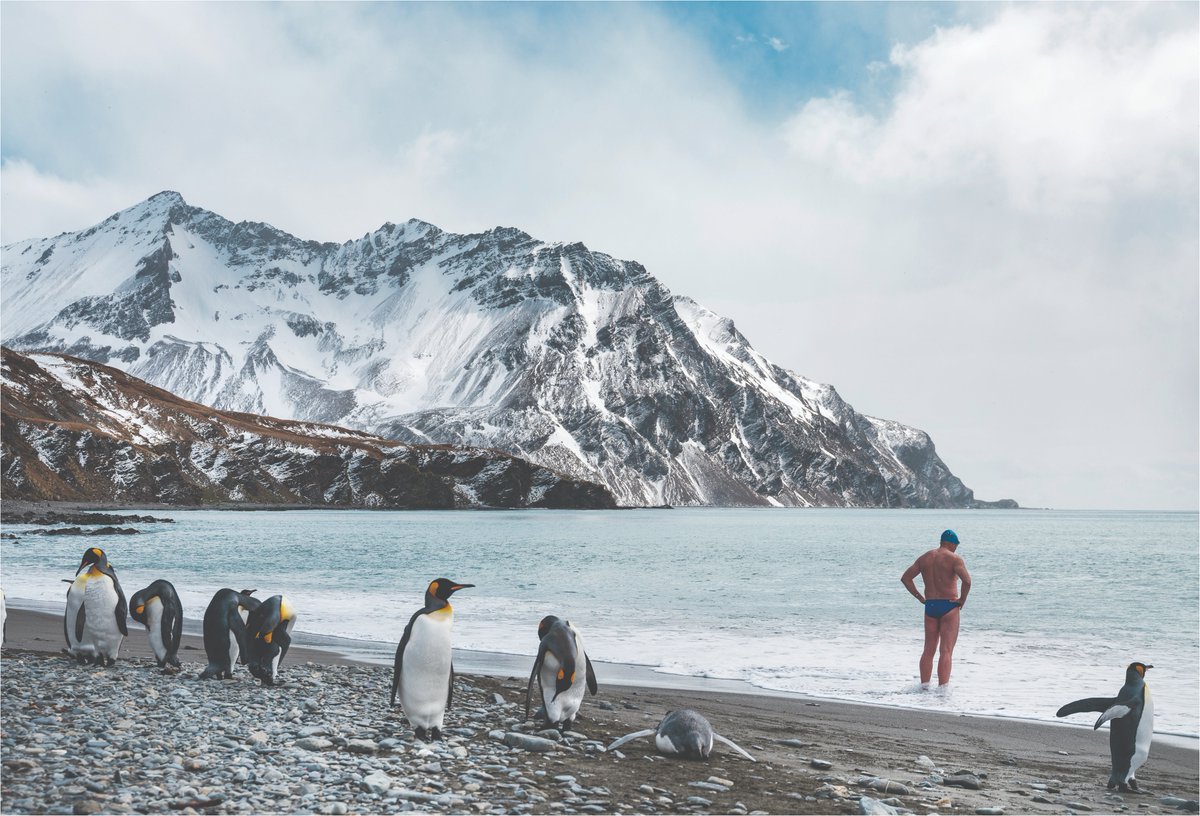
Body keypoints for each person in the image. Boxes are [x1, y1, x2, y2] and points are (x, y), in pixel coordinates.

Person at [900, 529, 972, 687]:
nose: (956, 548)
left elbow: (905, 578)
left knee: (928, 650)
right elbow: (967, 581)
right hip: (949, 606)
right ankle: (942, 691)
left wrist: (920, 598)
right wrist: (962, 600)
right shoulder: (954, 559)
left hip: (931, 606)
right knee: (946, 651)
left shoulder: (925, 558)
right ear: (951, 543)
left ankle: (924, 687)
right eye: (956, 545)